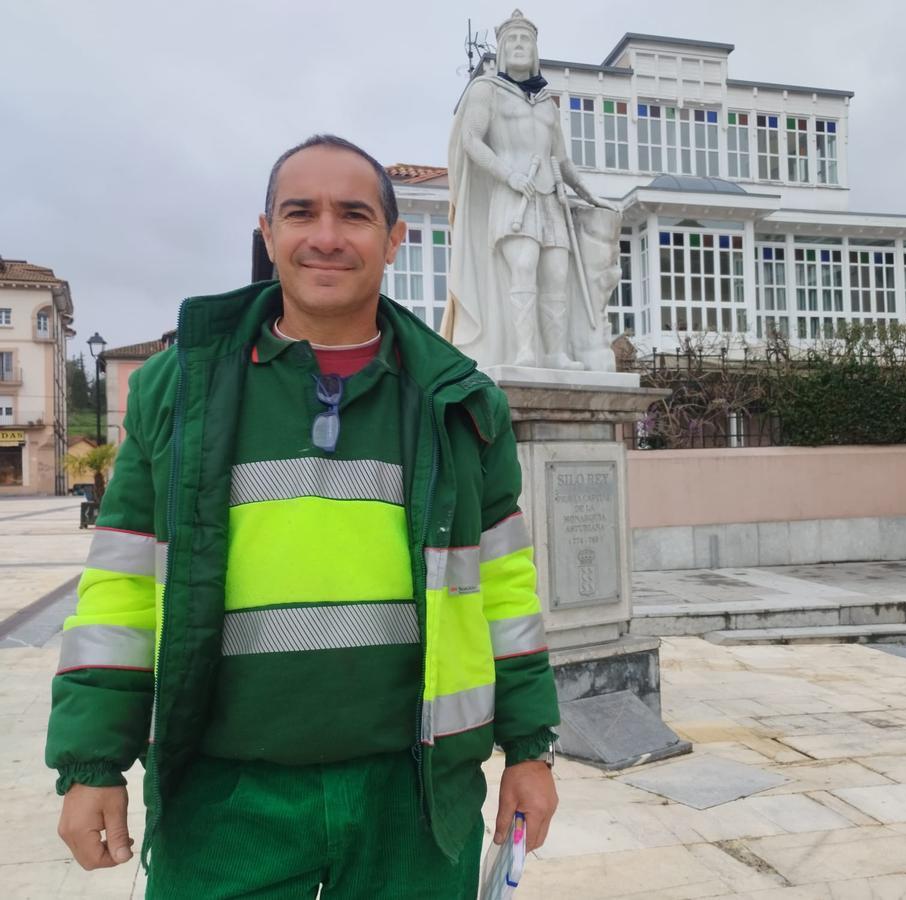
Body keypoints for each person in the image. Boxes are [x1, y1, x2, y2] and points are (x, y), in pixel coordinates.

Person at [46, 133, 561, 898]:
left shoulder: (462, 404)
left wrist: (529, 750)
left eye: (353, 215)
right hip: (224, 800)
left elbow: (506, 591)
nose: (325, 235)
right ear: (268, 234)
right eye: (300, 213)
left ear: (394, 240)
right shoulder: (178, 392)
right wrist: (92, 765)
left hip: (413, 801)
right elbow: (118, 593)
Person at [443, 8, 617, 371]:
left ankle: (554, 353)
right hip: (513, 196)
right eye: (514, 40)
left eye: (527, 40)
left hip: (550, 198)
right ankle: (524, 352)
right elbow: (472, 141)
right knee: (523, 266)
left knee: (556, 274)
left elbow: (562, 159)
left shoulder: (547, 103)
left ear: (535, 49)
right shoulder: (486, 90)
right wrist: (508, 174)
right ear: (503, 48)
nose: (521, 45)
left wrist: (588, 193)